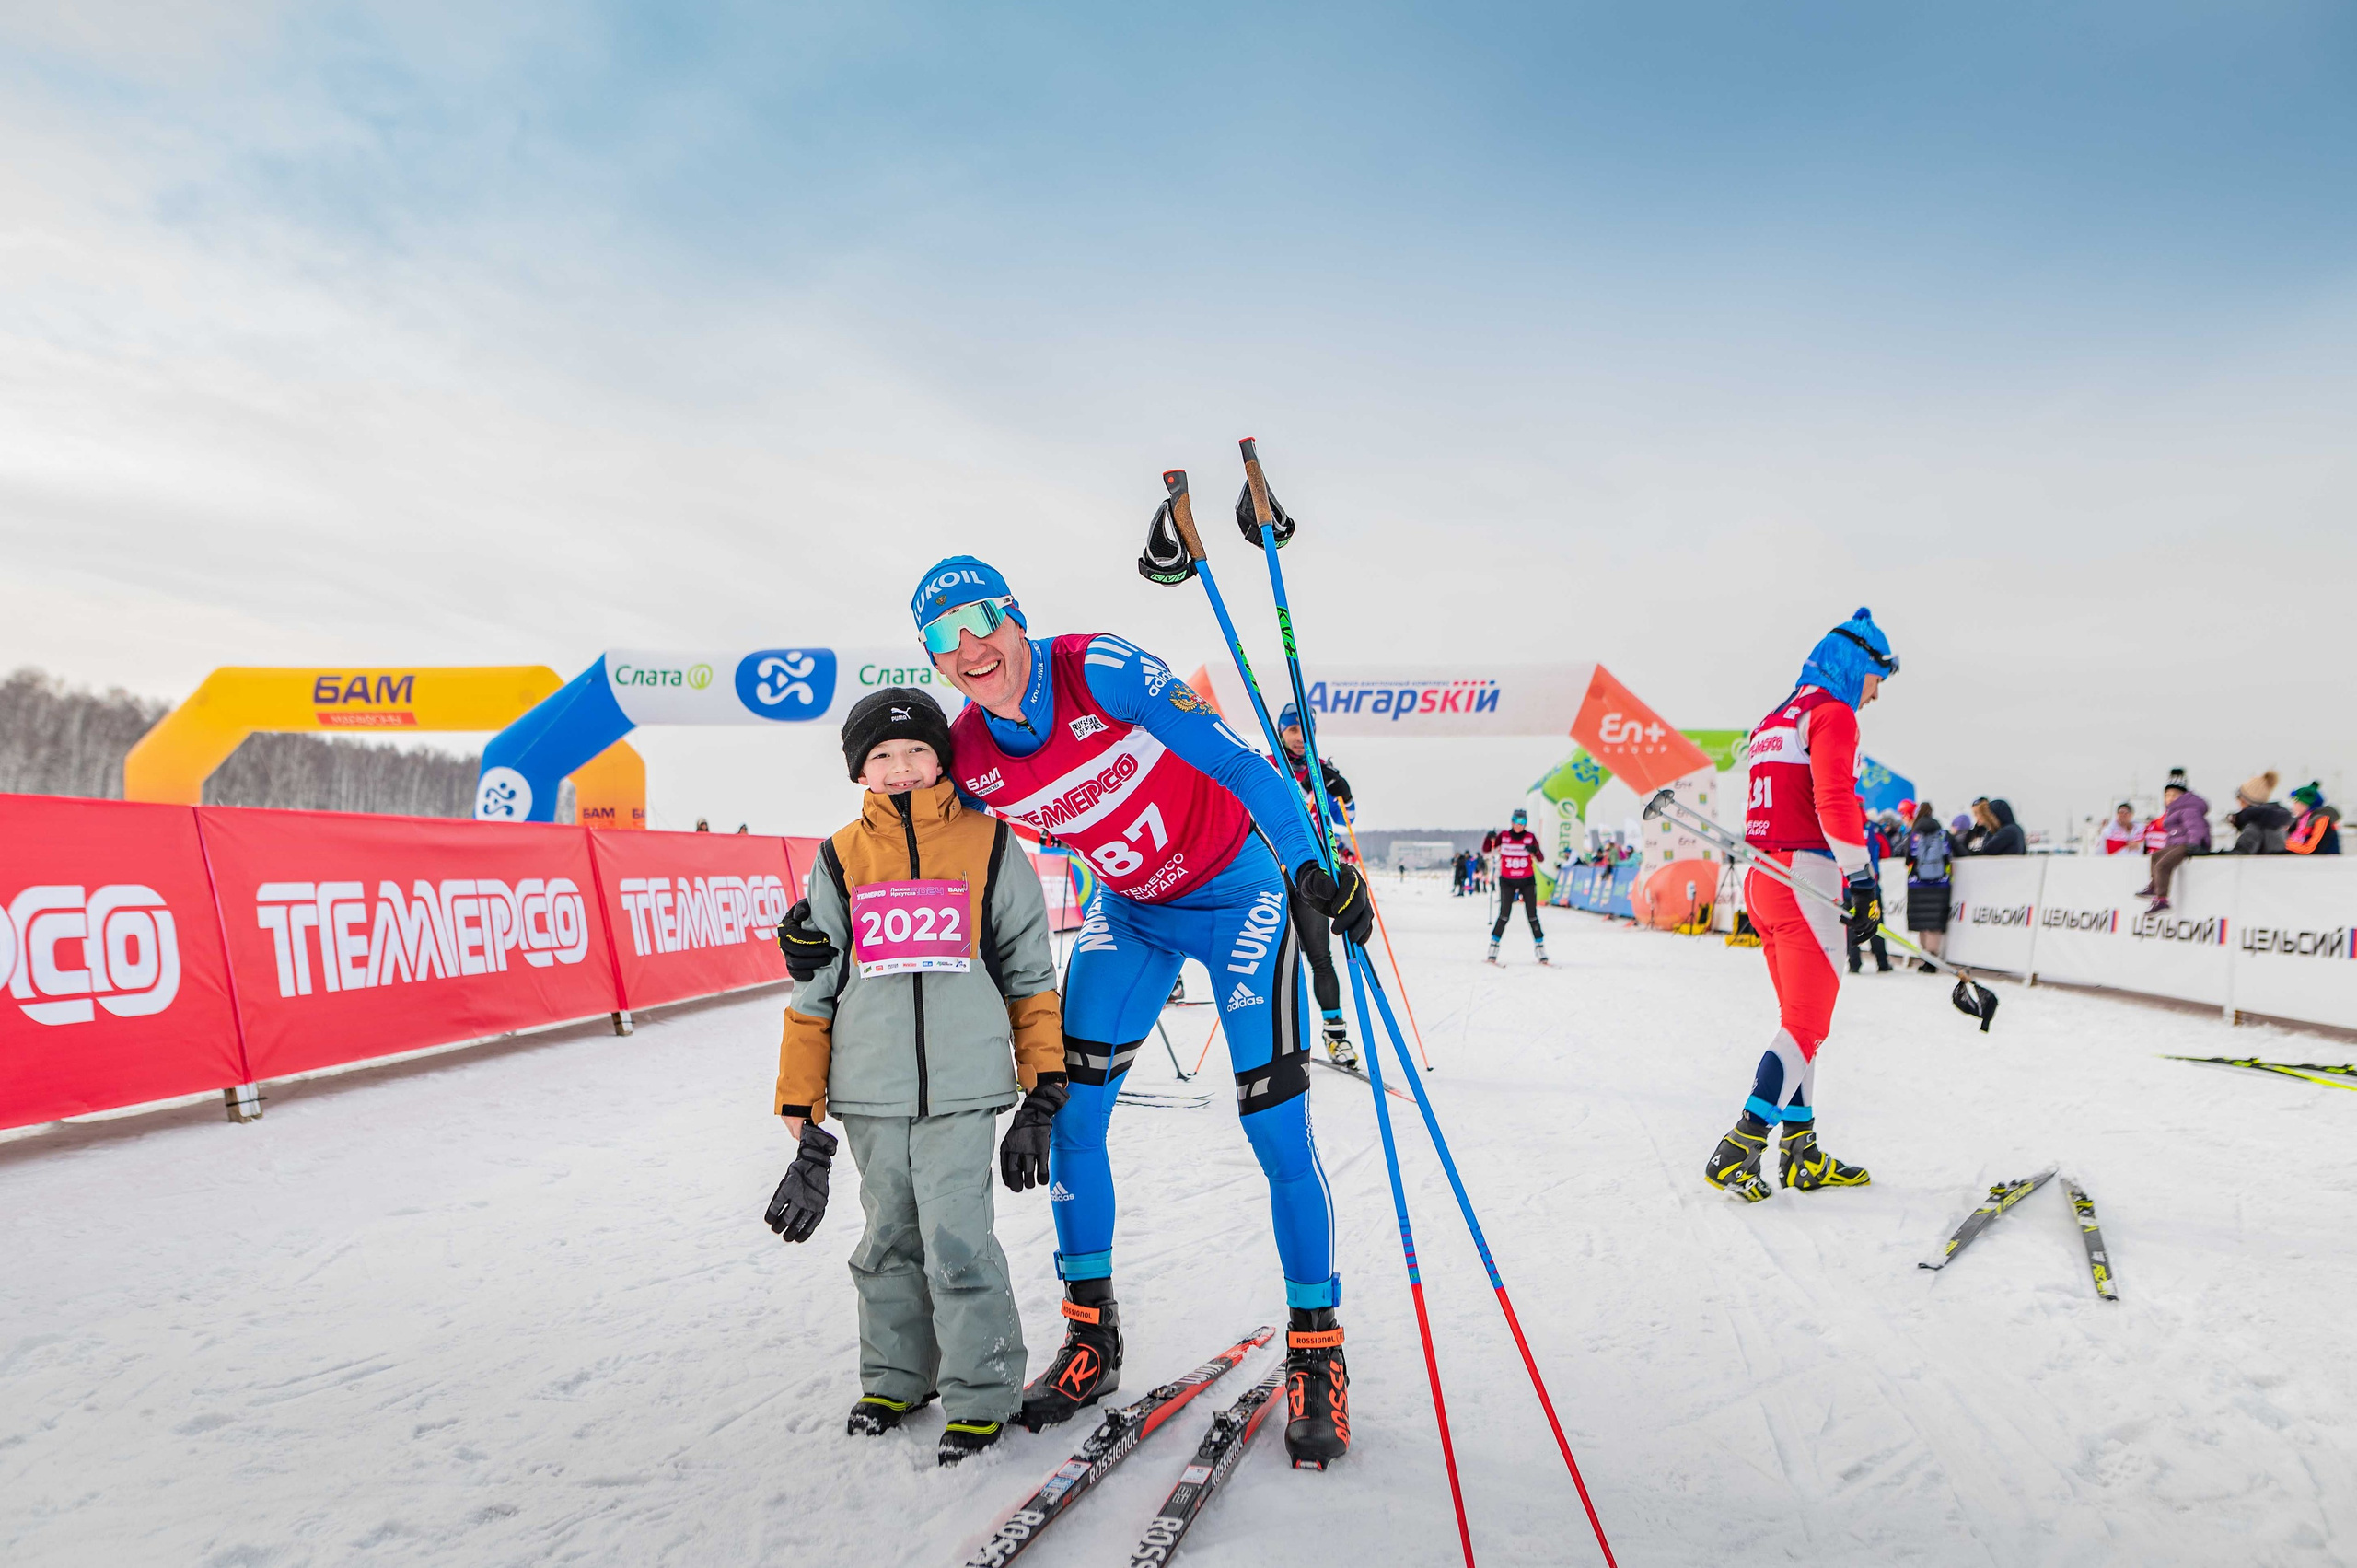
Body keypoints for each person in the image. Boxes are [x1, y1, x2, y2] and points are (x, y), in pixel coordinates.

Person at [910, 556, 1367, 1469]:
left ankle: (1317, 1348)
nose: (969, 649)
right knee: (1071, 1114)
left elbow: (1236, 762)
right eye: (941, 638)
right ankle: (1091, 1335)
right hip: (1131, 916)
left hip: (1239, 893)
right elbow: (907, 836)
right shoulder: (966, 753)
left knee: (1273, 1120)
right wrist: (826, 914)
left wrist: (1313, 861)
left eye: (979, 621)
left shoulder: (1103, 669)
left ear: (1014, 615)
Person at [766, 689, 1065, 1465]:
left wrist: (1044, 1085)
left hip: (963, 1088)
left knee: (958, 1239)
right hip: (868, 1087)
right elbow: (814, 987)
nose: (901, 769)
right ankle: (898, 1376)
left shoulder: (992, 845)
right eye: (882, 757)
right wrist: (801, 1109)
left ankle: (982, 1390)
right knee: (886, 1239)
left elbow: (1030, 973)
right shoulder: (839, 856)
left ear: (941, 757)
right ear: (861, 770)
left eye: (916, 753)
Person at [1705, 607, 1895, 1202]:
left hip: (1764, 877)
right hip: (1804, 874)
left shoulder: (1775, 716)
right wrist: (1862, 879)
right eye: (1877, 677)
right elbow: (1835, 801)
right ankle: (1742, 1144)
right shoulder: (1831, 712)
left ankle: (1800, 1149)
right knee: (1807, 1026)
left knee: (1798, 1027)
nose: (1876, 693)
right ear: (1856, 662)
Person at [1274, 703, 1361, 1066]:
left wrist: (1342, 792)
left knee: (1320, 957)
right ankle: (1277, 1040)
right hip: (1272, 874)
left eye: (1304, 730)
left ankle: (1335, 1034)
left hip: (1310, 876)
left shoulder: (1323, 774)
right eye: (1292, 730)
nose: (1298, 738)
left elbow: (1347, 820)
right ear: (1281, 732)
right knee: (1275, 961)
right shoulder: (1266, 764)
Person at [1484, 807, 1550, 965]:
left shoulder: (1529, 837)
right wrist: (1489, 838)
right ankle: (1493, 948)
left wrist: (1534, 851)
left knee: (1532, 915)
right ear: (1512, 822)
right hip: (1507, 880)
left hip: (1527, 880)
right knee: (1504, 915)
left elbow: (1541, 858)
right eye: (1517, 821)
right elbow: (1487, 849)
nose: (1520, 825)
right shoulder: (1504, 836)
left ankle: (1540, 948)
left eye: (1523, 822)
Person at [2137, 775, 2211, 912]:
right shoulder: (2174, 811)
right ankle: (2154, 886)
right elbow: (2173, 835)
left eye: (2174, 795)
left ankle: (2162, 900)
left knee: (2162, 865)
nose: (2170, 798)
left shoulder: (2188, 809)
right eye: (2167, 795)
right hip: (2178, 845)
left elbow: (2195, 828)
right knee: (2156, 856)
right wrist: (2167, 849)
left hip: (2191, 845)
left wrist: (2194, 844)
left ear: (2183, 796)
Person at [1903, 802, 1951, 971]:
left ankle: (1925, 957)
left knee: (1922, 921)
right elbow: (1949, 855)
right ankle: (1933, 959)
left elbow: (1908, 857)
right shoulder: (1942, 834)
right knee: (1934, 923)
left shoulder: (1914, 834)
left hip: (1917, 884)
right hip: (1940, 884)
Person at [1845, 820, 1891, 975]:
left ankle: (1854, 963)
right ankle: (1882, 961)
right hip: (1871, 884)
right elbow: (1886, 851)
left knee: (1851, 923)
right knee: (1875, 921)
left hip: (1847, 884)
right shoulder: (1874, 828)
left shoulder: (1843, 825)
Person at [2225, 772, 2292, 854]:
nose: (2238, 803)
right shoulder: (2278, 824)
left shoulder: (2255, 825)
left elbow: (2239, 855)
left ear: (2247, 801)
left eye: (2240, 799)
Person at [2289, 782, 2342, 855]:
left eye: (2296, 802)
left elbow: (2311, 849)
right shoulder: (2301, 820)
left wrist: (2284, 843)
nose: (2293, 806)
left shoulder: (2322, 820)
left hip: (2325, 864)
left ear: (2306, 804)